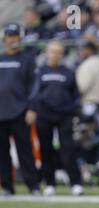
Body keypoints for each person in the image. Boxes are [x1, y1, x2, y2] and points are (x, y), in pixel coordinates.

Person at [29, 40, 83, 196]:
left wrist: (73, 110)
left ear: (62, 54)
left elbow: (75, 95)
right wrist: (33, 109)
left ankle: (75, 183)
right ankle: (49, 183)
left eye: (58, 52)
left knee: (68, 150)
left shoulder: (68, 72)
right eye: (52, 51)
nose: (55, 55)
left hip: (64, 116)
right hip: (44, 115)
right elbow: (33, 93)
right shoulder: (39, 72)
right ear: (46, 53)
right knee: (46, 150)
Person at [0, 23, 40, 196]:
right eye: (9, 36)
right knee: (2, 153)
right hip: (1, 112)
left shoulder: (27, 60)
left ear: (20, 38)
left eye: (15, 35)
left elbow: (34, 86)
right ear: (4, 39)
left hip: (20, 112)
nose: (12, 39)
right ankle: (7, 187)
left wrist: (31, 107)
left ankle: (34, 186)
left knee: (25, 151)